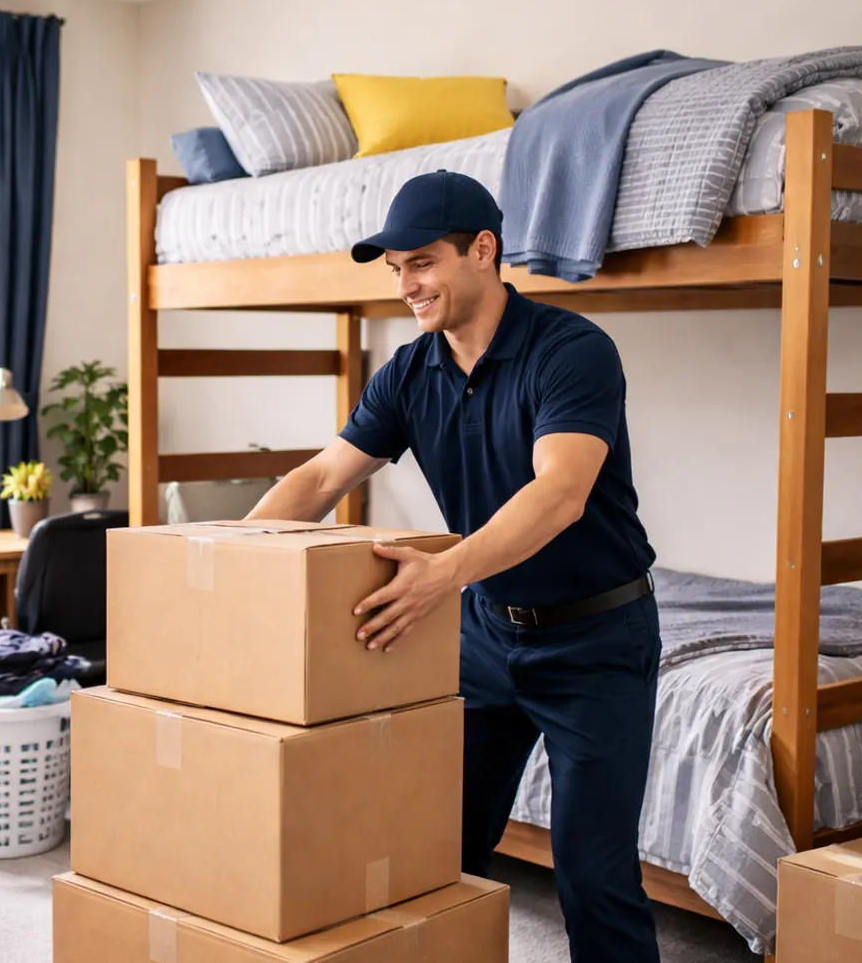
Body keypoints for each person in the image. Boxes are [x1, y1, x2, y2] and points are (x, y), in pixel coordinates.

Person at [246, 170, 661, 963]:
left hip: (597, 640)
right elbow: (321, 479)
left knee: (594, 875)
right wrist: (225, 557)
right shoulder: (409, 372)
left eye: (422, 262)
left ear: (483, 250)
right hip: (486, 637)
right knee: (434, 851)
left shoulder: (572, 352)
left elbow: (561, 493)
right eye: (396, 267)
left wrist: (443, 574)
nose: (406, 285)